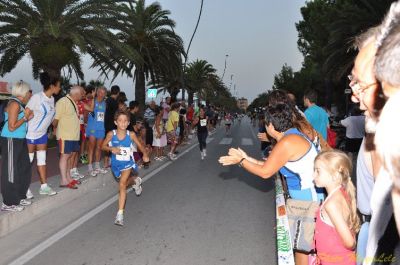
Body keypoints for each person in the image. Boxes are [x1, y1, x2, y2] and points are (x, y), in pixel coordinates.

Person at [219, 103, 323, 265]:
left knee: (302, 249)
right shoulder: (291, 137)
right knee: (300, 248)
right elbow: (268, 166)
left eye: (264, 123)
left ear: (270, 125)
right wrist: (245, 158)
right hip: (305, 199)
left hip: (308, 201)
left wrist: (241, 161)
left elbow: (265, 172)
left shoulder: (287, 142)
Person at [102, 110, 149, 226]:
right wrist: (111, 149)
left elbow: (140, 146)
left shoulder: (131, 135)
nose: (123, 123)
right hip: (115, 164)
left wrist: (145, 154)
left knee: (122, 185)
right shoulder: (111, 134)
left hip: (128, 163)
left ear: (128, 123)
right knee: (125, 182)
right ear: (115, 122)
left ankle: (120, 214)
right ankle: (136, 181)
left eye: (125, 121)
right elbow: (102, 146)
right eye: (120, 121)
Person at [313, 150, 359, 265]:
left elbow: (349, 243)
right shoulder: (341, 192)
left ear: (334, 175)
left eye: (318, 171)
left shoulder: (331, 205)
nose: (313, 175)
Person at [25, 72, 60, 197]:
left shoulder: (52, 100)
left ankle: (44, 187)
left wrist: (55, 128)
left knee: (42, 161)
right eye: (58, 86)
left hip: (42, 135)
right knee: (27, 162)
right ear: (51, 86)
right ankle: (24, 188)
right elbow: (26, 114)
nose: (59, 88)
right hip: (30, 134)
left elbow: (51, 119)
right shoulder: (37, 98)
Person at [1, 81, 33, 211]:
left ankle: (19, 197)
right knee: (10, 171)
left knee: (24, 167)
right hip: (11, 139)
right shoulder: (14, 104)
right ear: (23, 92)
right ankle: (9, 203)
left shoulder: (20, 104)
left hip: (20, 139)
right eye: (29, 91)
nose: (30, 94)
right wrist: (25, 118)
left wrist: (27, 117)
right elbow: (11, 126)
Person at [53, 86, 82, 189]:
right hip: (65, 135)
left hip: (73, 136)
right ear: (76, 94)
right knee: (65, 156)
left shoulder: (73, 102)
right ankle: (63, 180)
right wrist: (54, 130)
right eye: (81, 93)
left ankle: (68, 177)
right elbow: (55, 119)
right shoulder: (63, 102)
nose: (83, 95)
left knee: (69, 157)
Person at [86, 86, 107, 176]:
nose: (101, 94)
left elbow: (103, 116)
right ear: (97, 93)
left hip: (101, 128)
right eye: (100, 92)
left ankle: (97, 166)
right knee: (91, 148)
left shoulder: (105, 104)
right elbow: (86, 114)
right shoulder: (92, 101)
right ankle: (90, 167)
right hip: (92, 128)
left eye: (103, 93)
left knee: (99, 148)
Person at [104, 85, 120, 168]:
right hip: (112, 126)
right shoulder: (114, 102)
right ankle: (110, 162)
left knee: (106, 143)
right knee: (112, 144)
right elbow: (116, 115)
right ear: (118, 92)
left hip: (105, 125)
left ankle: (106, 163)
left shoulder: (106, 100)